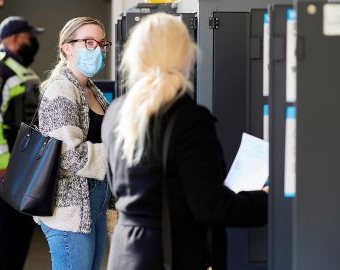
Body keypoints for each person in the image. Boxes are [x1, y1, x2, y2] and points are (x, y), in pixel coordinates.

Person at [102, 13, 268, 270]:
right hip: (172, 254)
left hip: (125, 254)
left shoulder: (115, 113)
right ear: (186, 55)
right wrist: (266, 200)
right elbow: (211, 208)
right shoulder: (189, 118)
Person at [35, 17, 112, 270]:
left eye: (101, 43)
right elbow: (70, 156)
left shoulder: (91, 89)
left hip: (94, 202)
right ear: (67, 48)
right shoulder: (61, 89)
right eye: (89, 42)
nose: (98, 49)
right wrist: (118, 152)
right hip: (70, 209)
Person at [0, 16, 43, 270]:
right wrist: (3, 165)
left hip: (21, 156)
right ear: (14, 39)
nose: (33, 41)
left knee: (19, 227)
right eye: (29, 36)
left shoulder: (20, 68)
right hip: (4, 159)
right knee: (5, 229)